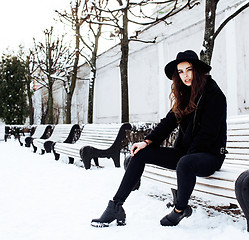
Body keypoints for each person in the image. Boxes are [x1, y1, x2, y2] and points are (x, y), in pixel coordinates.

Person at [91, 50, 227, 227]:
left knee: (185, 163)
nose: (185, 76)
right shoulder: (186, 95)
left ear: (198, 70)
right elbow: (168, 122)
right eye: (180, 72)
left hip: (209, 156)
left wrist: (186, 156)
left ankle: (180, 209)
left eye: (189, 70)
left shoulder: (214, 95)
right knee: (140, 154)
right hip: (187, 155)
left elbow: (208, 134)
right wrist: (147, 141)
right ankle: (116, 205)